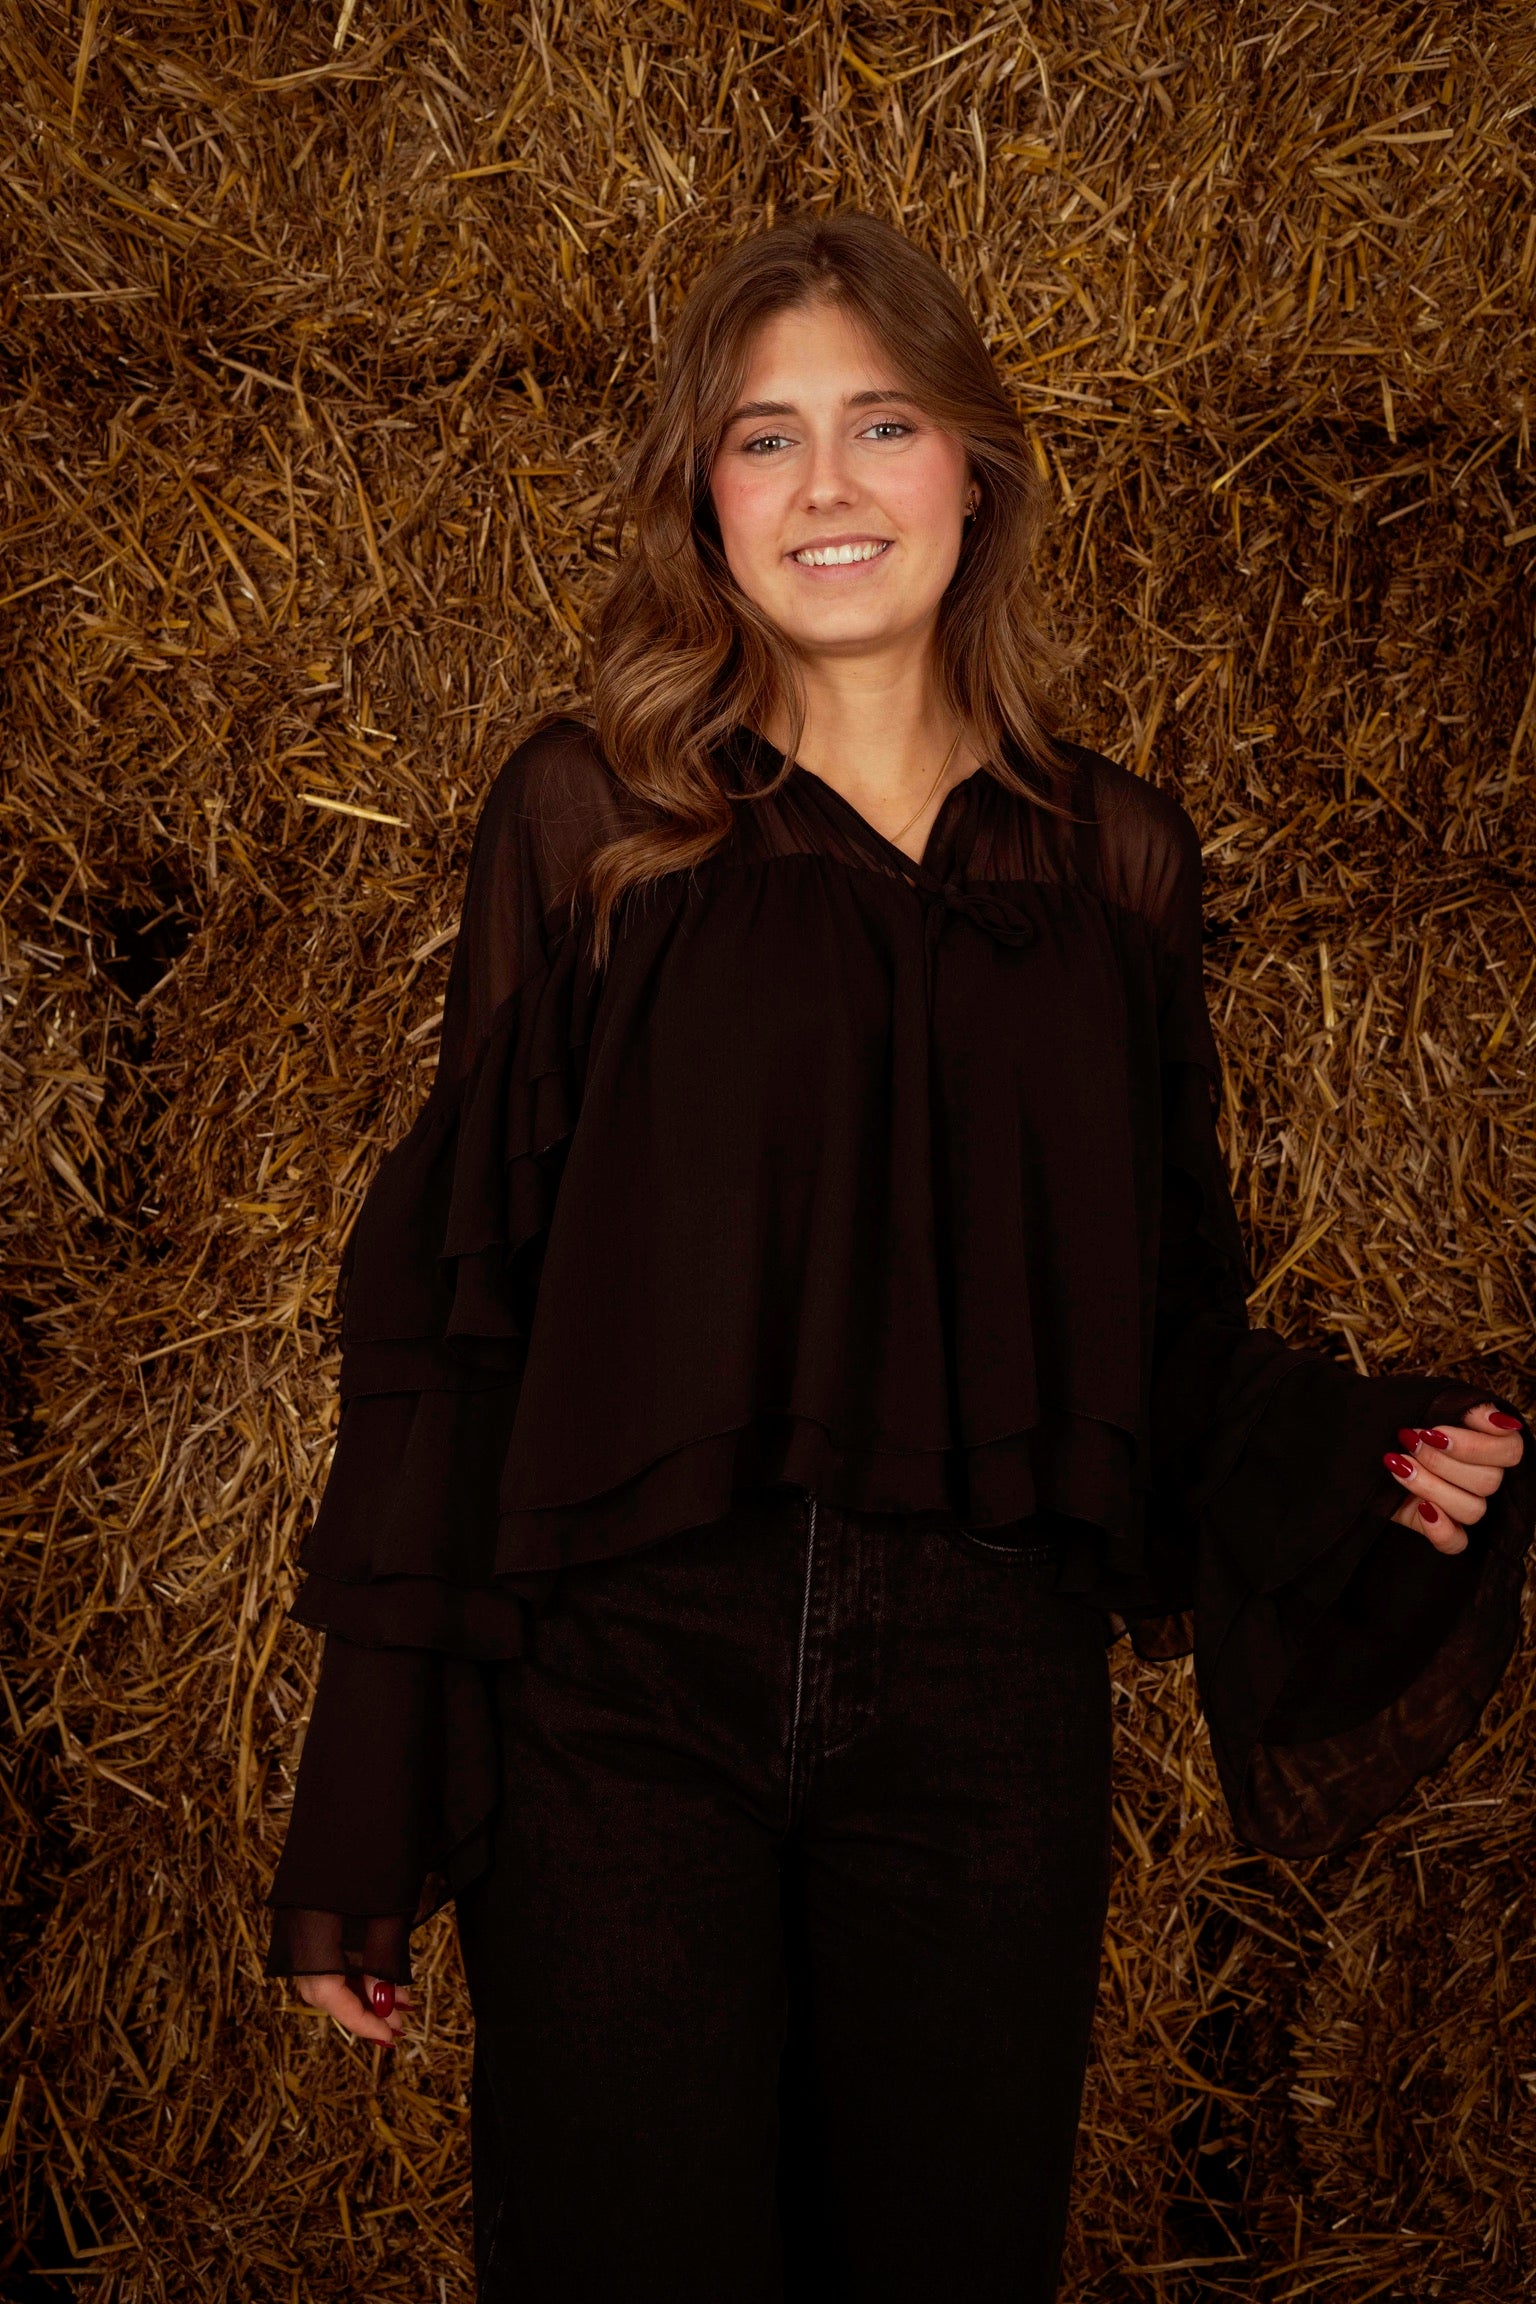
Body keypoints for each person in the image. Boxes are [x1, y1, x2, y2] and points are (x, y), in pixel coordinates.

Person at [263, 212, 1530, 2302]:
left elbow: (1156, 1317)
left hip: (984, 1698)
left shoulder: (1116, 859)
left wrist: (1369, 1459)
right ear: (704, 498)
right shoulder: (593, 824)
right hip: (625, 1685)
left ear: (975, 468)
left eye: (882, 423)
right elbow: (456, 1316)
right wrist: (369, 1789)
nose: (827, 485)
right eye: (764, 438)